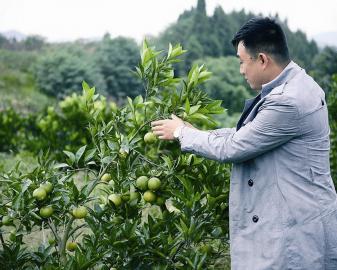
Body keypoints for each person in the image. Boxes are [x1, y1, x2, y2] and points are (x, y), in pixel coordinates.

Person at [151, 17, 337, 270]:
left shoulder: (288, 101)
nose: (240, 70)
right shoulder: (297, 83)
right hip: (297, 218)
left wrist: (183, 133)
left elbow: (234, 147)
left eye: (242, 62)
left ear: (262, 59)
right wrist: (200, 134)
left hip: (293, 231)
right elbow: (250, 133)